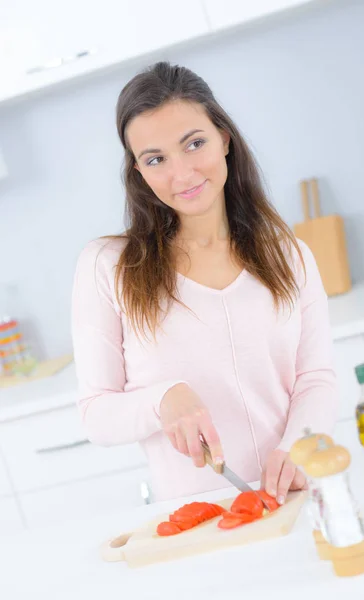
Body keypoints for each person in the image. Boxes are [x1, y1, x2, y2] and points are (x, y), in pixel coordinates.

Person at [71, 61, 338, 504]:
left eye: (194, 144)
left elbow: (315, 379)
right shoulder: (109, 267)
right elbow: (96, 413)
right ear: (139, 171)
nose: (182, 174)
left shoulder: (289, 255)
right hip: (193, 521)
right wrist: (163, 399)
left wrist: (298, 447)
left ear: (225, 138)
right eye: (156, 159)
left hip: (297, 499)